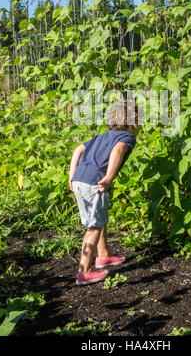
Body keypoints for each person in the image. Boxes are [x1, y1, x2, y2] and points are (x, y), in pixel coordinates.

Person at [69, 99, 140, 285]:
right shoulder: (126, 138)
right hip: (95, 183)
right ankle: (83, 272)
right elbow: (118, 150)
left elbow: (77, 150)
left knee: (98, 219)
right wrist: (109, 178)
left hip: (79, 179)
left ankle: (102, 256)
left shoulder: (99, 137)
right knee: (93, 227)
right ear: (133, 122)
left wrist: (71, 176)